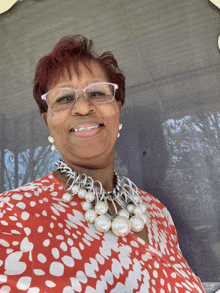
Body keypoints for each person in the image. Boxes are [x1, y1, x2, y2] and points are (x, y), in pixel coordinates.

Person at [0, 35, 205, 293]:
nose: (83, 107)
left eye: (97, 93)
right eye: (64, 98)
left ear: (117, 108)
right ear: (47, 120)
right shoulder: (12, 215)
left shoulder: (157, 213)